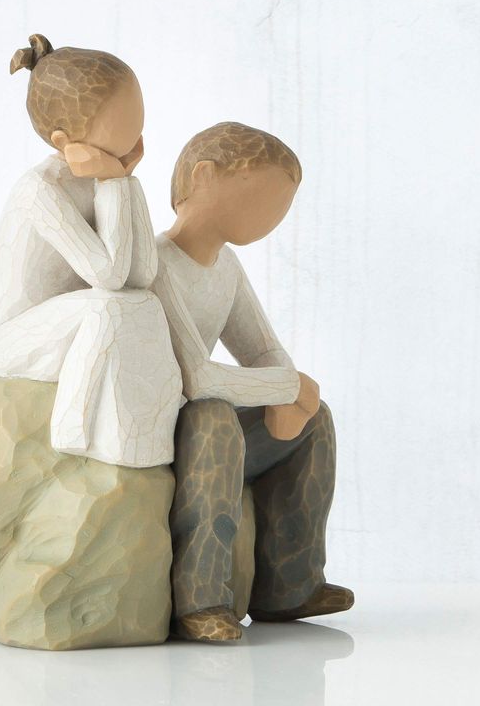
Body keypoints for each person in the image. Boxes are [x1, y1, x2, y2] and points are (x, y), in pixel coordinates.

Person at [151, 122, 354, 642]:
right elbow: (194, 377)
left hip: (200, 416)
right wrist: (284, 387)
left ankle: (290, 586)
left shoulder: (226, 267)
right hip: (163, 427)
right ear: (204, 177)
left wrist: (291, 399)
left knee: (315, 419)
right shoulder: (155, 264)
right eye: (262, 200)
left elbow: (262, 350)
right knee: (214, 419)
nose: (273, 218)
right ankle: (201, 600)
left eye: (281, 206)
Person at [0, 34, 181, 468]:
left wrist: (125, 182)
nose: (137, 130)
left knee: (145, 304)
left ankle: (147, 443)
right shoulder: (40, 190)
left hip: (78, 316)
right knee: (108, 308)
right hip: (17, 337)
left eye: (137, 113)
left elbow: (142, 273)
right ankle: (72, 429)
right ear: (63, 139)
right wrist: (112, 180)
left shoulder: (106, 177)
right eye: (123, 120)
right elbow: (108, 276)